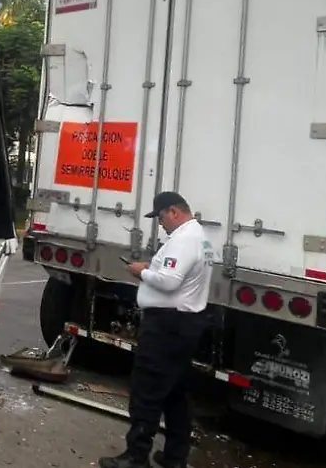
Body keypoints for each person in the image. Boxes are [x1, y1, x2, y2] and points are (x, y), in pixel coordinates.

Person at [99, 191, 215, 468]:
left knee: (146, 392)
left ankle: (136, 458)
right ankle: (176, 456)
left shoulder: (185, 240)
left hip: (167, 327)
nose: (160, 223)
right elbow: (177, 274)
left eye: (161, 217)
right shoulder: (200, 237)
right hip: (184, 324)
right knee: (176, 394)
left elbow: (169, 282)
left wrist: (141, 272)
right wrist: (154, 267)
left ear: (174, 211)